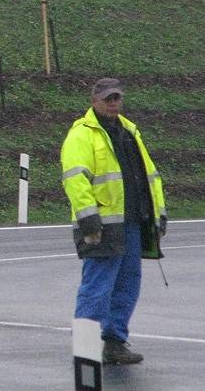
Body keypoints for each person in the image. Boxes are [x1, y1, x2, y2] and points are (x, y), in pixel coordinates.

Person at [60, 78, 167, 365]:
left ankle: (115, 342)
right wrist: (88, 218)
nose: (113, 103)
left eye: (117, 98)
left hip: (132, 222)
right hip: (101, 225)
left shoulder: (129, 131)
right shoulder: (82, 134)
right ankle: (84, 346)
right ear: (94, 101)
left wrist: (159, 214)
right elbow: (75, 179)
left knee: (127, 284)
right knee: (97, 286)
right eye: (107, 98)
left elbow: (150, 176)